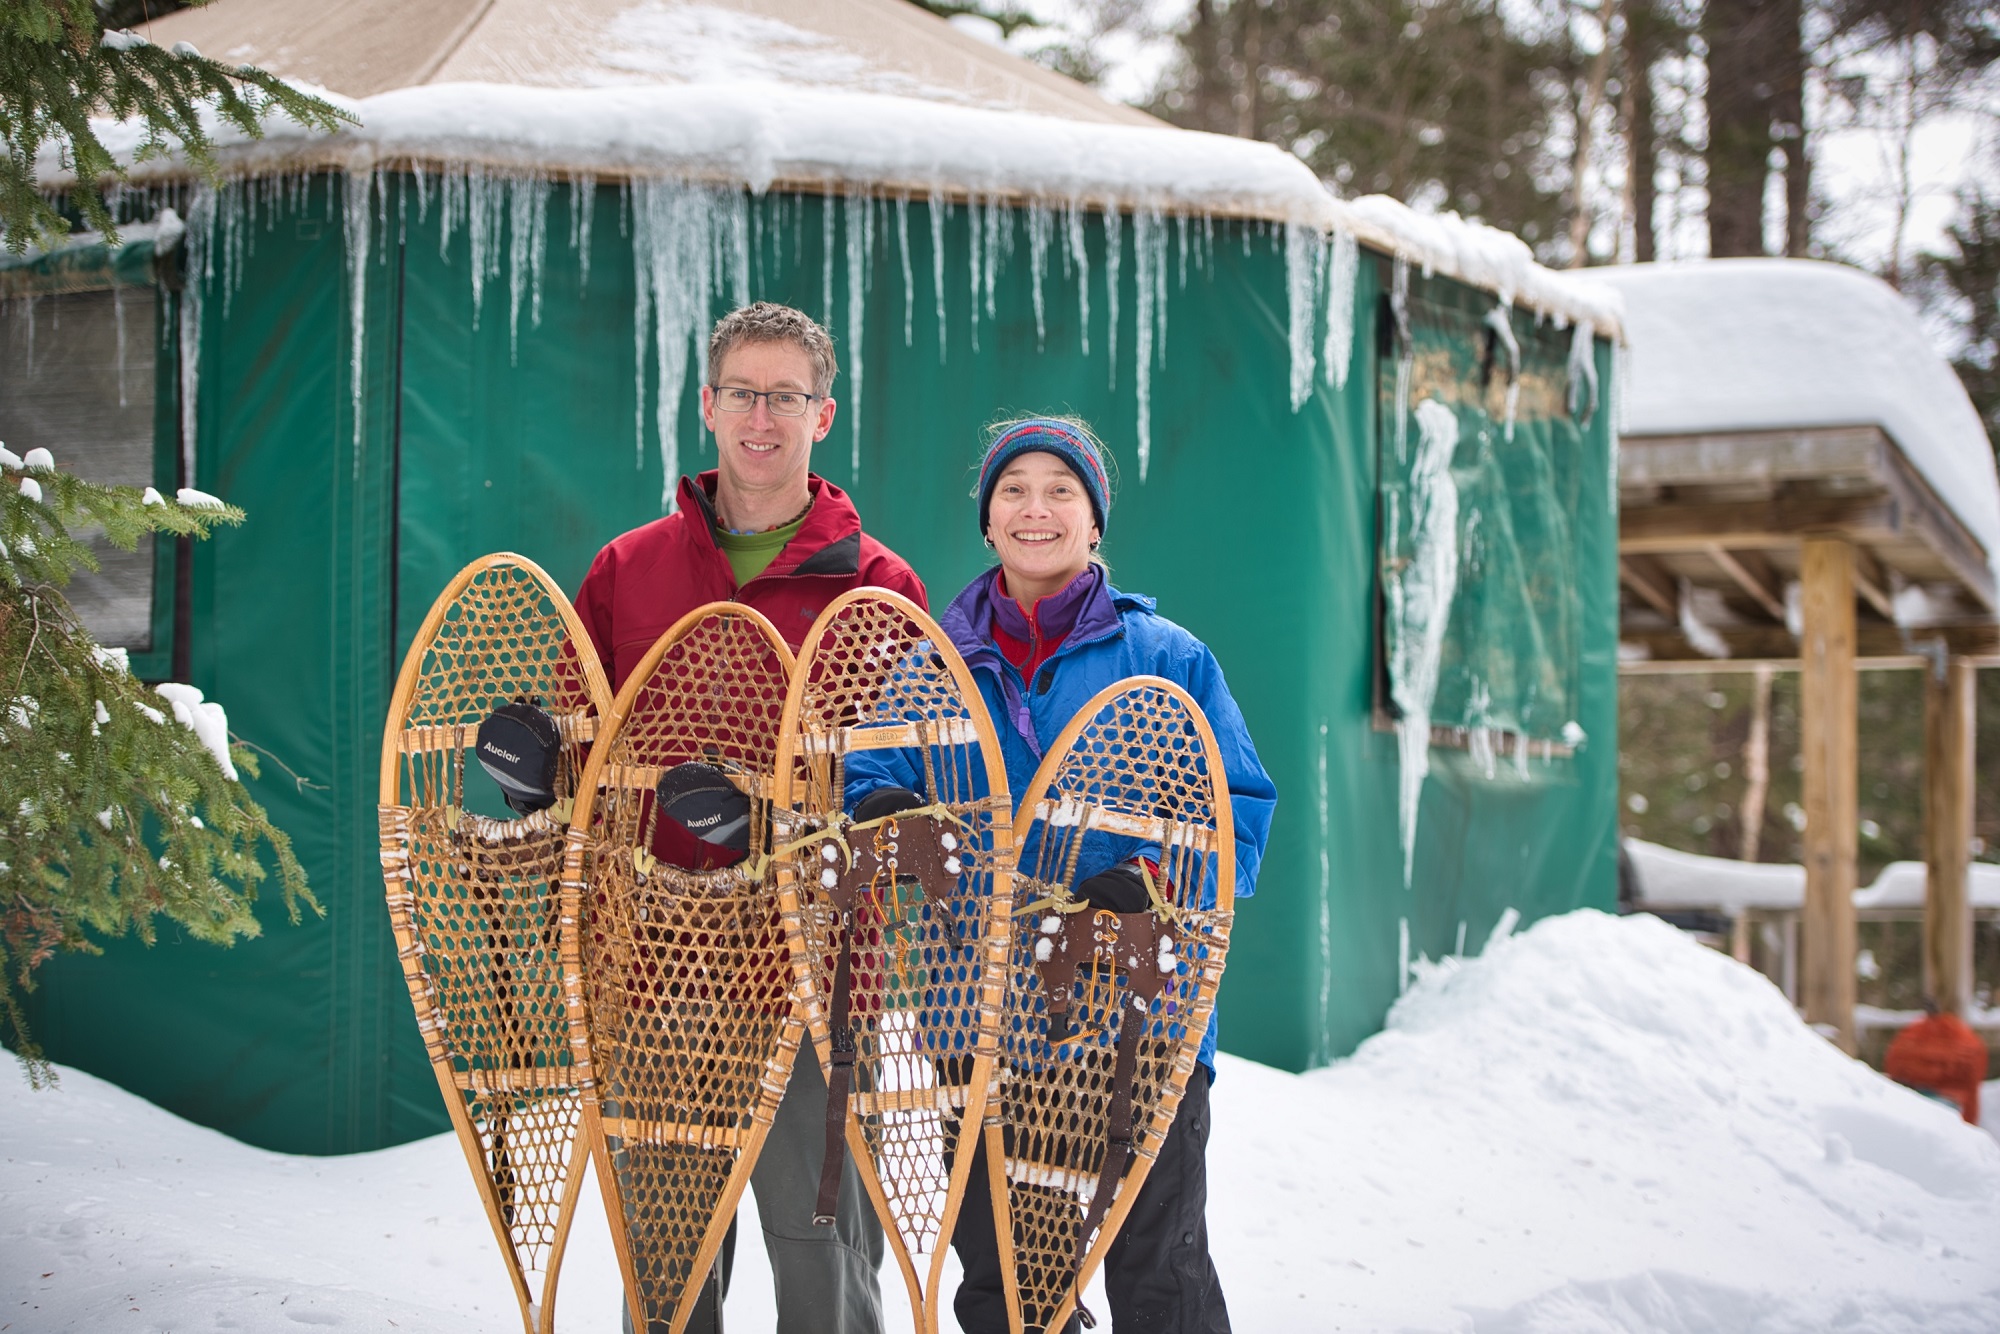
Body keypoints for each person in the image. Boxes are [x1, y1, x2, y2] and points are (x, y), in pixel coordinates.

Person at [843, 416, 1276, 1333]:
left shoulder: (1168, 659)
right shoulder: (934, 665)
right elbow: (869, 779)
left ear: (1094, 522)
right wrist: (884, 817)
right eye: (1014, 490)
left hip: (1140, 1021)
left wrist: (1149, 882)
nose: (1035, 509)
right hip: (978, 1016)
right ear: (988, 521)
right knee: (1005, 1292)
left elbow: (1238, 810)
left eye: (1060, 491)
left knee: (1160, 1280)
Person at [575, 301, 921, 1334]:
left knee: (820, 1252)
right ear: (706, 405)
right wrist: (535, 758)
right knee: (671, 1259)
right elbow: (576, 744)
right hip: (654, 964)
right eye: (742, 393)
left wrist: (786, 826)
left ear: (822, 413)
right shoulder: (627, 571)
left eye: (784, 396)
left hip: (807, 973)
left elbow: (902, 788)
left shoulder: (873, 586)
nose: (759, 417)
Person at [1884, 998, 1988, 1126]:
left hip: (1911, 1099)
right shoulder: (1965, 1039)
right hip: (1948, 1104)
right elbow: (1971, 1083)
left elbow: (1895, 1069)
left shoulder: (1913, 1036)